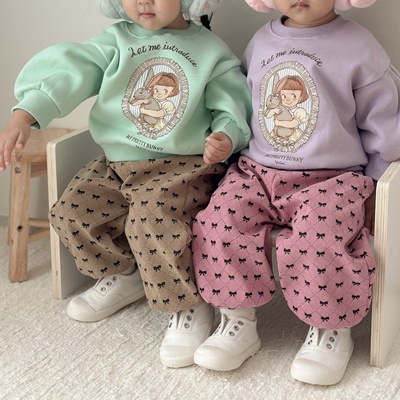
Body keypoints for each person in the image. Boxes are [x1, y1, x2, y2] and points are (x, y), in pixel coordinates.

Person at [0, 0, 251, 369]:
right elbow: (72, 70)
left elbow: (233, 103)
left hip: (183, 166)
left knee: (153, 221)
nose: (143, 2)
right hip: (117, 163)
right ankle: (126, 273)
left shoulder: (210, 50)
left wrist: (226, 136)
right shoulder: (115, 40)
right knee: (71, 212)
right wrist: (26, 112)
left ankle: (187, 304)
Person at [192, 0, 400, 385]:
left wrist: (379, 185)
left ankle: (330, 327)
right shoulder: (261, 41)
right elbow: (244, 107)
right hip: (256, 171)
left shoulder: (359, 46)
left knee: (321, 236)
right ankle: (236, 319)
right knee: (219, 220)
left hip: (332, 177)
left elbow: (386, 122)